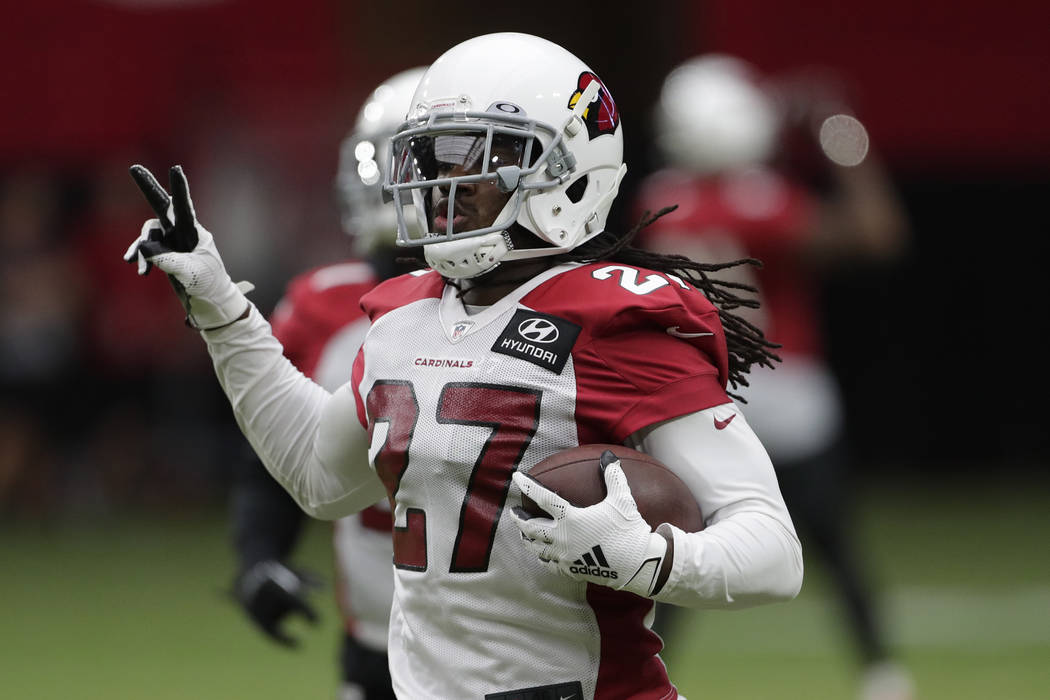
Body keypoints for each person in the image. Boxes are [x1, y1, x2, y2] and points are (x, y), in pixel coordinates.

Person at [124, 33, 803, 699]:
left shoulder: (613, 320)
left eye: (487, 156)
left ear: (569, 171)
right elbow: (318, 476)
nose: (448, 181)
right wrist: (218, 306)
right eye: (437, 158)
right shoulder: (402, 317)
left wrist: (648, 558)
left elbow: (772, 551)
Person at [635, 54, 913, 700]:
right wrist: (842, 135)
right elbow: (878, 233)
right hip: (788, 393)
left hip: (707, 398)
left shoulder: (658, 199)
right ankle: (883, 674)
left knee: (679, 547)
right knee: (835, 547)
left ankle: (642, 676)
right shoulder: (759, 200)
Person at [230, 66, 426, 700]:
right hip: (372, 642)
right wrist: (258, 555)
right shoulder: (320, 304)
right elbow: (273, 455)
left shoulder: (530, 308)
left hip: (506, 644)